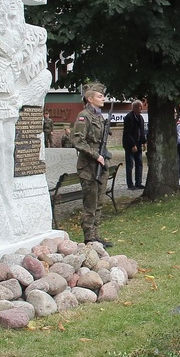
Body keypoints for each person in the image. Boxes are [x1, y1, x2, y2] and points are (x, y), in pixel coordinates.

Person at [71, 83, 113, 248]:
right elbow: (77, 140)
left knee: (99, 203)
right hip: (89, 166)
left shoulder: (99, 117)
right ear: (90, 98)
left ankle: (96, 236)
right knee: (90, 204)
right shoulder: (84, 116)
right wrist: (96, 156)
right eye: (99, 96)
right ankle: (89, 238)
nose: (103, 98)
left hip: (101, 164)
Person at [122, 100, 147, 190]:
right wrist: (133, 145)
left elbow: (142, 131)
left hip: (139, 144)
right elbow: (127, 133)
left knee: (139, 163)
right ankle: (130, 184)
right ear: (135, 107)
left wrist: (144, 142)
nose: (141, 108)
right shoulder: (129, 117)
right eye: (140, 107)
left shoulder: (140, 118)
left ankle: (138, 182)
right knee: (130, 165)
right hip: (130, 145)